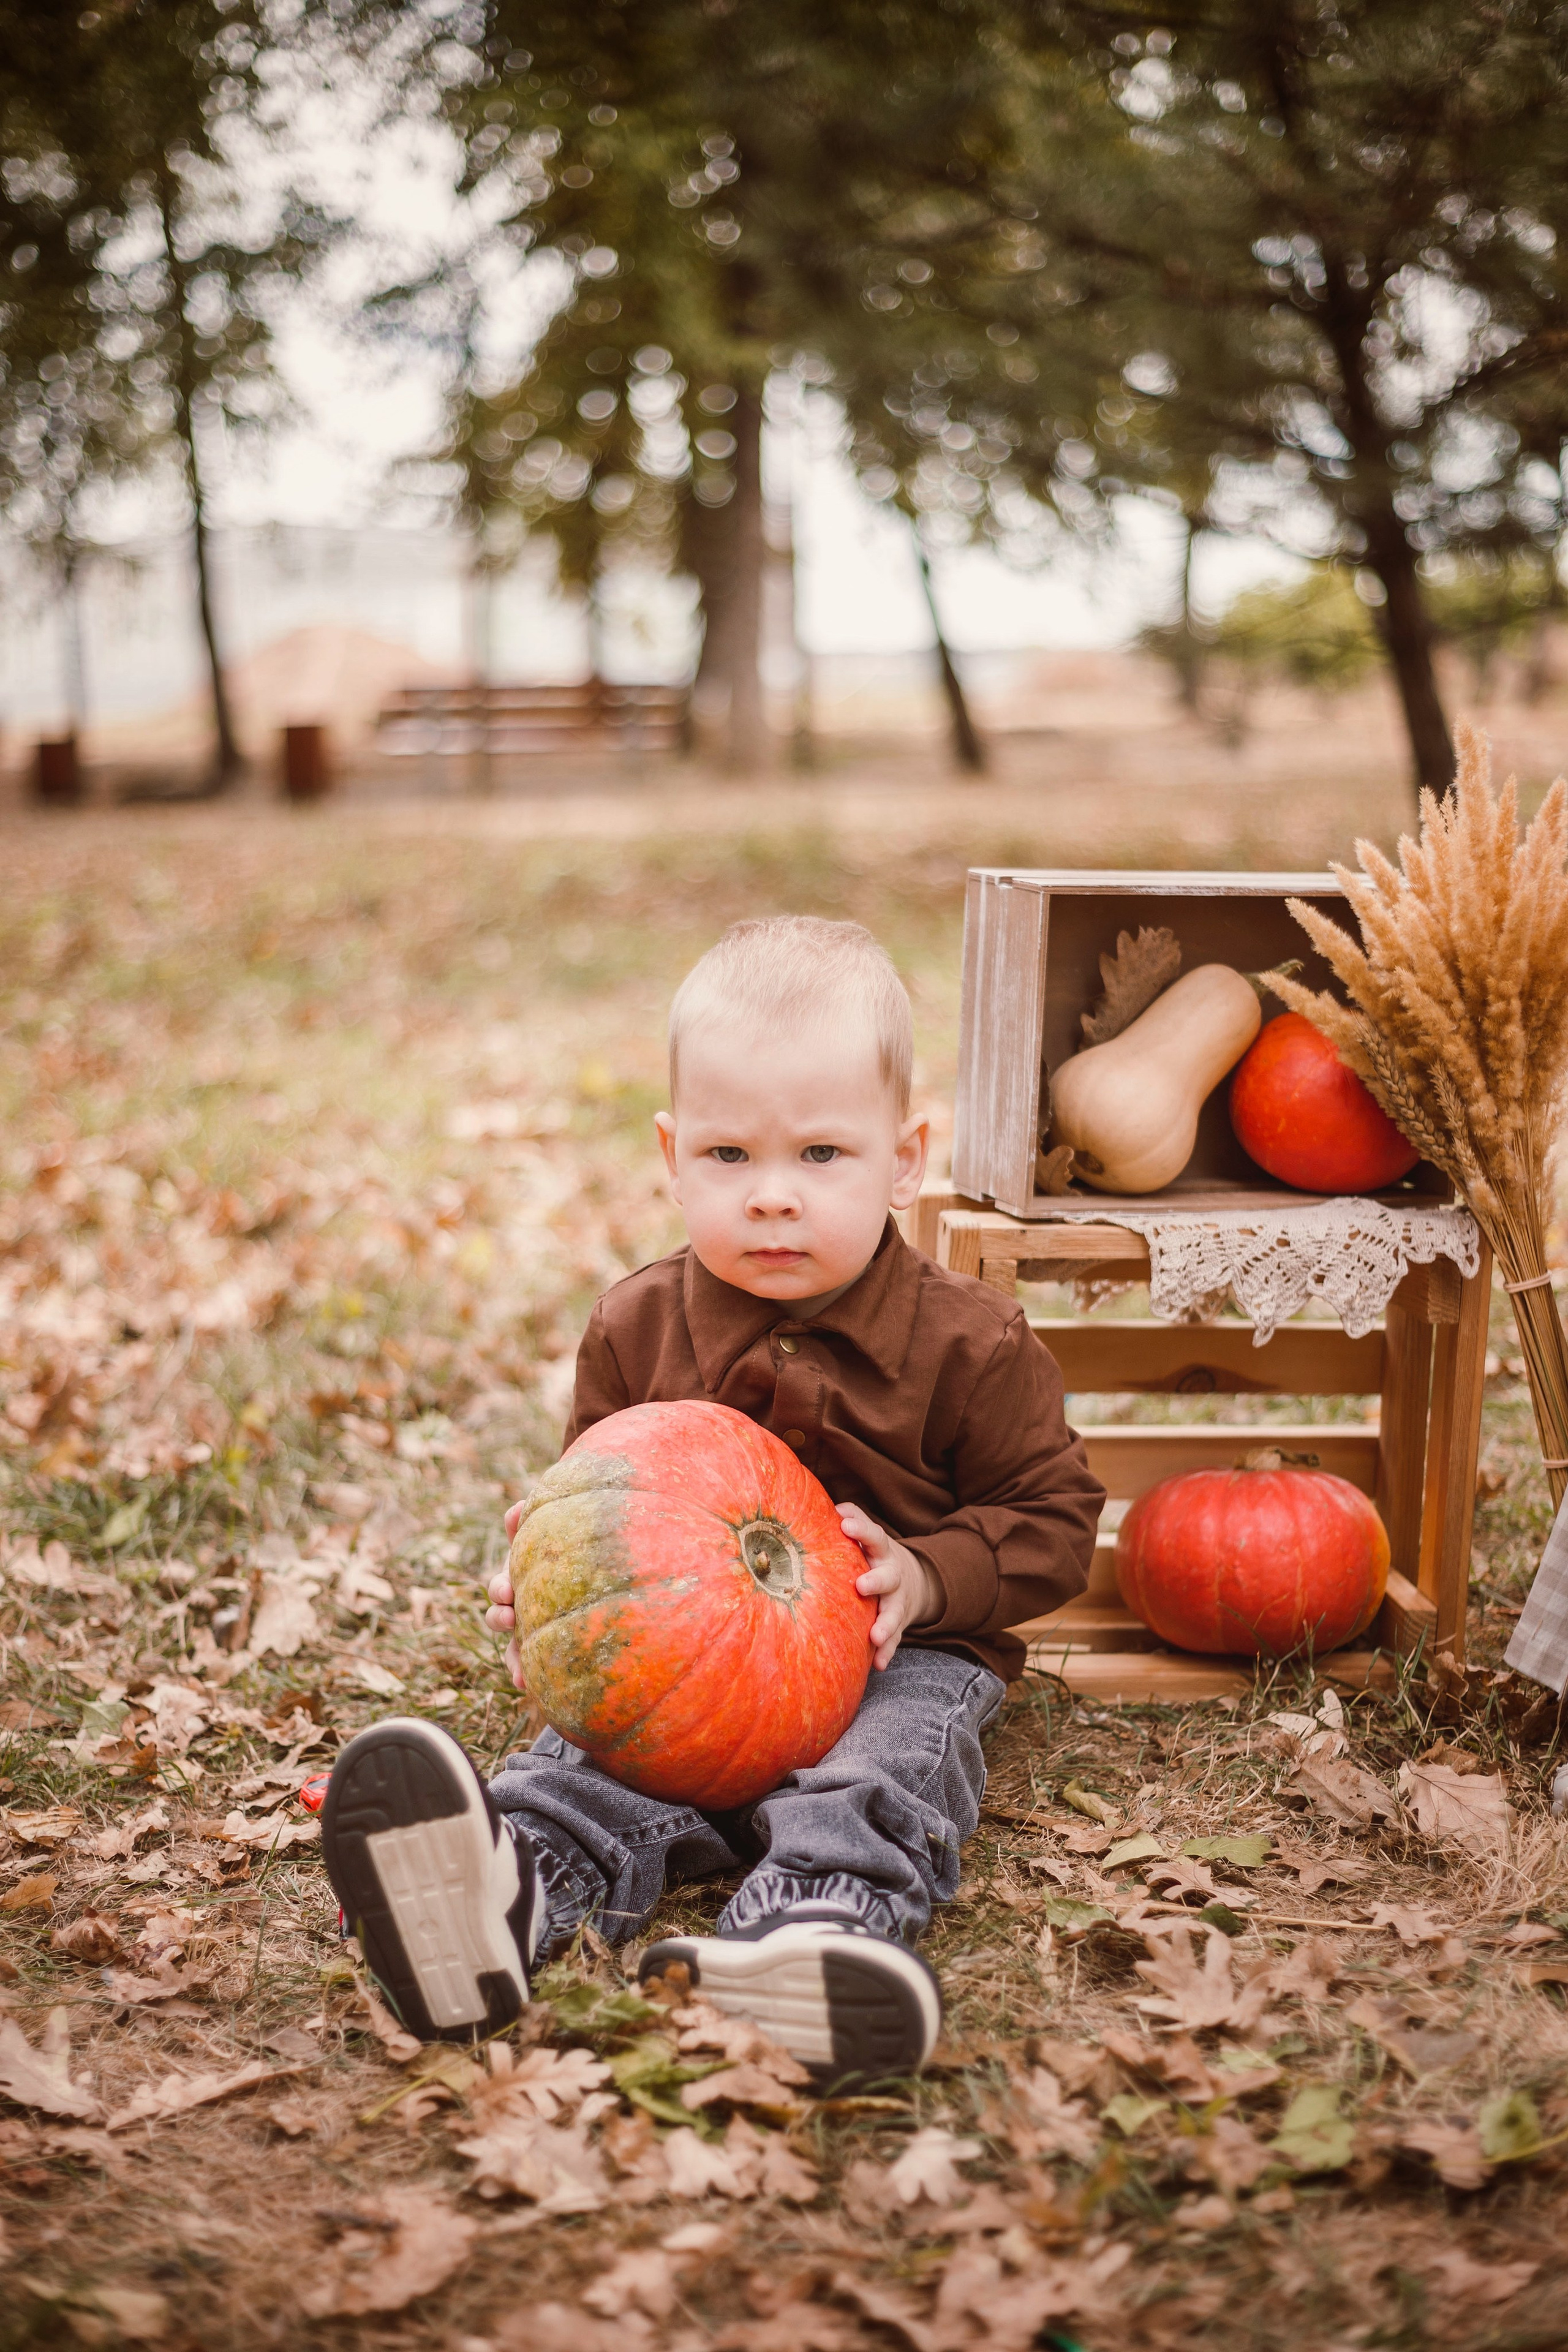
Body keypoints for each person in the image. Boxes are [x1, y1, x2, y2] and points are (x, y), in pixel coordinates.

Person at [320, 916, 1104, 2082]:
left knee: (888, 1764)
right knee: (583, 1762)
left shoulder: (971, 1345)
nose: (773, 1199)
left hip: (908, 1651)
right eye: (730, 1158)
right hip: (686, 1666)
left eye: (821, 1158)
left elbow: (1055, 1522)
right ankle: (505, 1893)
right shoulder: (634, 1327)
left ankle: (812, 1930)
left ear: (905, 1158)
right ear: (672, 1154)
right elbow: (592, 1496)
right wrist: (549, 1588)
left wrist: (932, 1576)